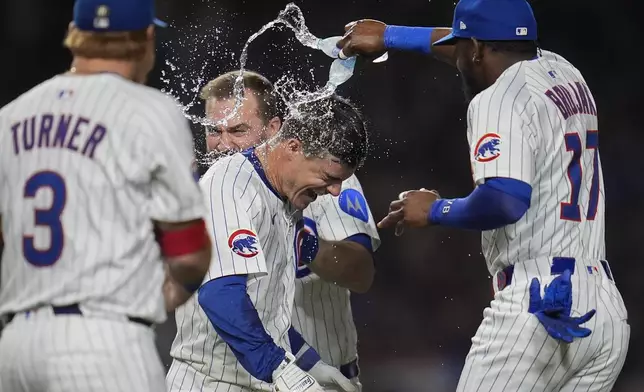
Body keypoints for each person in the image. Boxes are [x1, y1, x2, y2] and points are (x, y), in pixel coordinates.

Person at [336, 0, 629, 391]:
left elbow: (506, 199)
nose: (456, 57)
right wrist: (391, 36)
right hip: (605, 312)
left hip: (539, 305)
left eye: (463, 48)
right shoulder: (564, 72)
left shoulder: (497, 99)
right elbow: (469, 46)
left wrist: (436, 209)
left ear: (475, 49)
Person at [0, 0, 212, 391]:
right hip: (103, 344)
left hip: (15, 348)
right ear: (147, 37)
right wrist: (165, 295)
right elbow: (187, 253)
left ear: (76, 35)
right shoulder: (150, 110)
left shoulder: (10, 117)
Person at [168, 71, 380, 392]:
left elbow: (267, 312)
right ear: (293, 147)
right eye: (215, 130)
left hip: (258, 376)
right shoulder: (229, 180)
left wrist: (309, 363)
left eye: (238, 130)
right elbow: (220, 293)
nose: (337, 191)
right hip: (212, 381)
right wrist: (278, 368)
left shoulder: (284, 194)